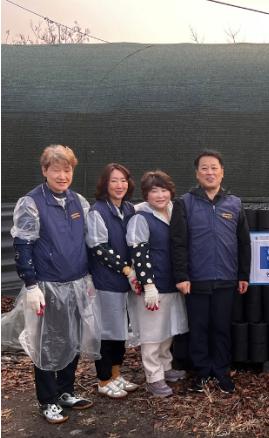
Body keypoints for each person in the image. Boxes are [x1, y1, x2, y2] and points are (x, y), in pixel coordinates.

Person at [11, 144, 100, 423]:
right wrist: (31, 285)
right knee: (47, 343)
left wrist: (89, 278)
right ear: (44, 171)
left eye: (67, 170)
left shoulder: (78, 201)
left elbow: (88, 242)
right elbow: (23, 244)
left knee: (72, 340)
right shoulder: (32, 203)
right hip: (47, 286)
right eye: (56, 170)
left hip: (77, 283)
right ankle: (47, 399)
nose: (62, 176)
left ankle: (65, 391)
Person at [170, 149, 251, 394]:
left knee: (222, 327)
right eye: (204, 168)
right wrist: (182, 276)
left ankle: (222, 372)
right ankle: (202, 372)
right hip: (196, 280)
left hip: (226, 279)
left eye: (214, 168)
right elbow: (178, 242)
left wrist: (243, 275)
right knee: (199, 329)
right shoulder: (185, 203)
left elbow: (243, 242)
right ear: (197, 173)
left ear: (222, 172)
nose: (210, 172)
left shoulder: (234, 203)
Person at [126, 170, 189, 397]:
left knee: (168, 330)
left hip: (172, 282)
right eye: (154, 191)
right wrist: (148, 284)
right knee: (152, 335)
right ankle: (153, 377)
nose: (160, 195)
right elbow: (138, 253)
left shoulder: (174, 212)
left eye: (164, 190)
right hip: (154, 285)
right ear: (146, 194)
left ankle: (165, 367)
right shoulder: (141, 217)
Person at [87, 163, 141, 399]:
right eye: (114, 181)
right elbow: (99, 247)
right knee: (107, 331)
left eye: (123, 180)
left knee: (120, 330)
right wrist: (127, 269)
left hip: (126, 282)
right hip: (107, 281)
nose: (120, 185)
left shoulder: (129, 208)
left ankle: (117, 375)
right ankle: (103, 379)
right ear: (105, 184)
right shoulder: (98, 211)